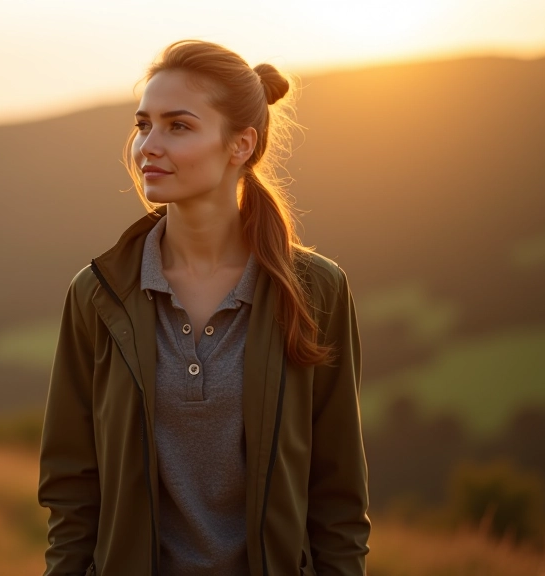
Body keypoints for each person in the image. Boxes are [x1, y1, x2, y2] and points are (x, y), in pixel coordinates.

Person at [38, 39, 369, 576]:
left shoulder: (316, 290)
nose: (149, 145)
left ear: (240, 145)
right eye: (143, 124)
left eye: (179, 126)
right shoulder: (98, 295)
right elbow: (72, 490)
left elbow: (339, 493)